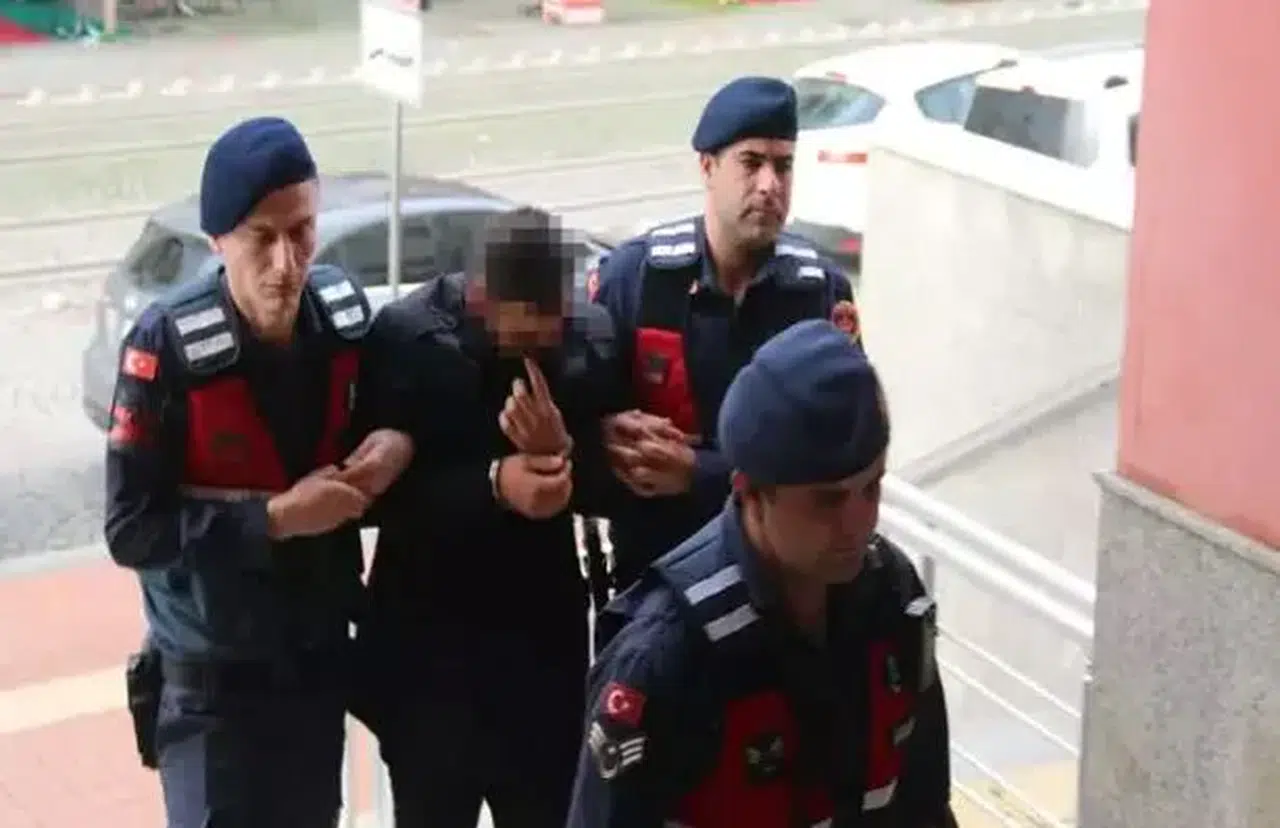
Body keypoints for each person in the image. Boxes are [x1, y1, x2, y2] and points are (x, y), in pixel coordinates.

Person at [104, 116, 413, 828]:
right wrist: (272, 520)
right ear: (218, 240)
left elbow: (385, 421)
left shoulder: (340, 317)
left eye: (302, 231)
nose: (286, 262)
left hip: (314, 677)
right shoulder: (165, 349)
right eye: (261, 238)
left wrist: (394, 443)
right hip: (212, 697)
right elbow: (131, 529)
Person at [566, 319, 957, 828]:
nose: (860, 523)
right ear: (749, 491)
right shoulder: (666, 659)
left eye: (872, 488)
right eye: (827, 501)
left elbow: (925, 804)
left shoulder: (892, 594)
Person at [350, 206, 628, 828]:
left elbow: (615, 482)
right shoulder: (410, 343)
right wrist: (496, 484)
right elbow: (375, 500)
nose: (539, 348)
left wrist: (564, 459)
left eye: (552, 330)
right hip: (430, 652)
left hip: (539, 654)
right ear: (482, 298)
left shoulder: (590, 342)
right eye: (524, 334)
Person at [589, 75, 864, 594]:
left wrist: (699, 474)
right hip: (653, 588)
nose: (770, 185)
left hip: (780, 591)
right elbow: (579, 439)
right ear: (707, 167)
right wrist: (604, 439)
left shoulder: (819, 295)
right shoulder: (636, 279)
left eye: (784, 166)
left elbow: (840, 460)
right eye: (751, 163)